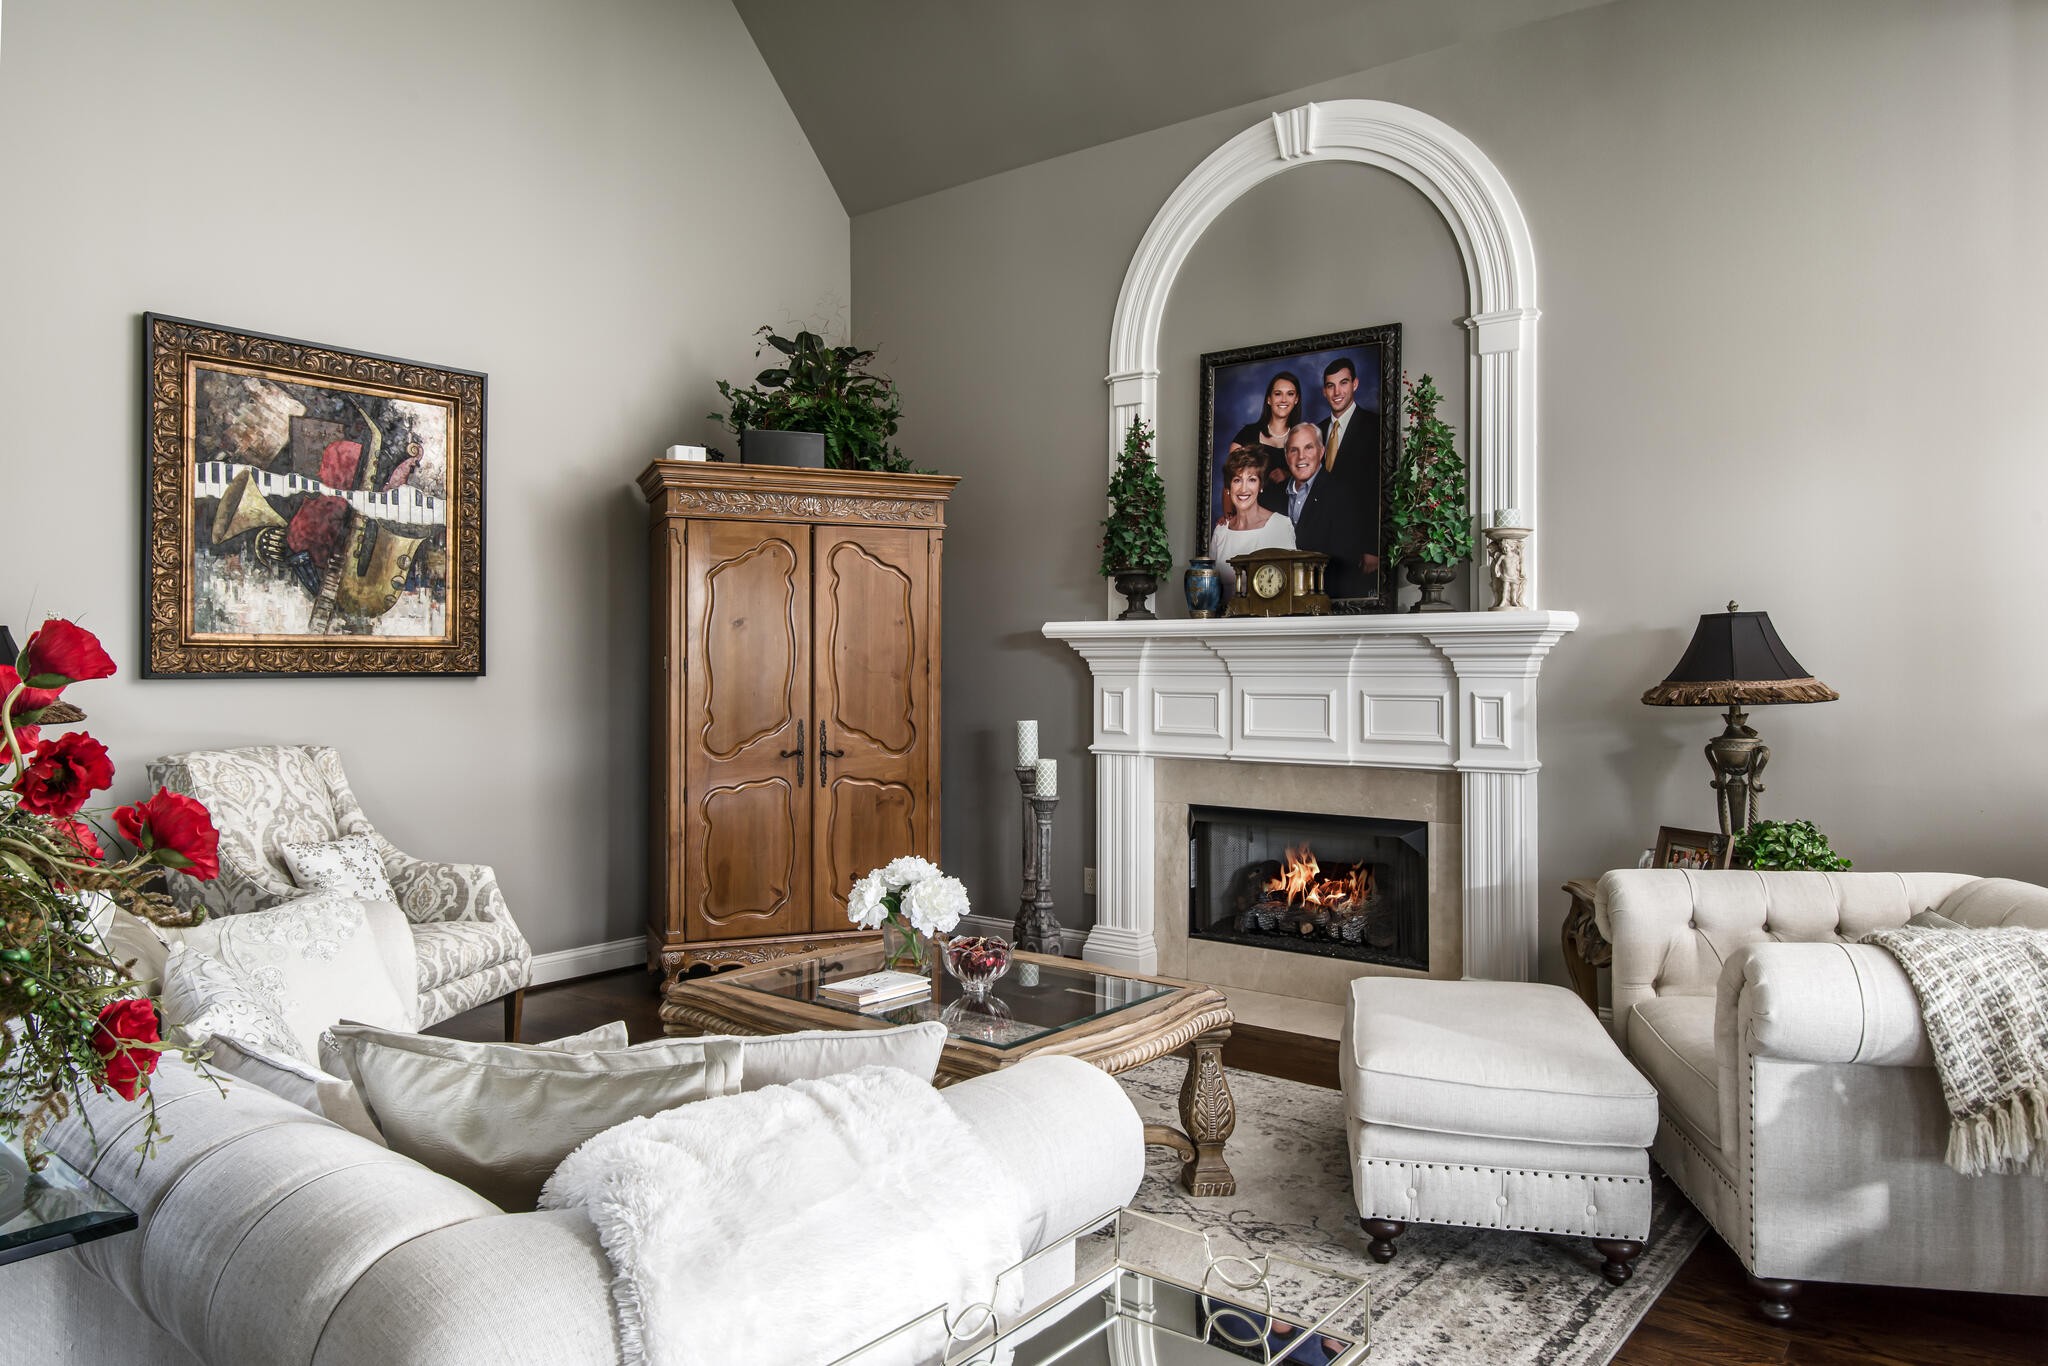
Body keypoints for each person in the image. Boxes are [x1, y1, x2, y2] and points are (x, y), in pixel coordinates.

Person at [1277, 422, 1378, 601]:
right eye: (1294, 450)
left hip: (1325, 600)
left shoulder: (1342, 493)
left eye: (1308, 448)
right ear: (1286, 456)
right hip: (1281, 600)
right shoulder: (1274, 496)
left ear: (1321, 451)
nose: (1301, 457)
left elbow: (1345, 560)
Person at [1210, 446, 1296, 598]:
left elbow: (1291, 588)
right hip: (1226, 620)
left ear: (1260, 486)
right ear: (1228, 487)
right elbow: (1212, 590)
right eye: (1237, 480)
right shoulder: (1221, 531)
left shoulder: (1280, 525)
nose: (1244, 489)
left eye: (1252, 480)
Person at [1226, 371, 1302, 510]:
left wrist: (1288, 474)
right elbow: (1229, 482)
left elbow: (1312, 480)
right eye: (1278, 394)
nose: (1284, 399)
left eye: (1290, 394)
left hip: (1289, 521)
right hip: (1250, 521)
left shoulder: (1302, 438)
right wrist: (1229, 517)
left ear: (1296, 399)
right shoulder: (1247, 435)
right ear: (1269, 399)